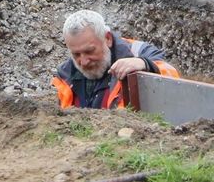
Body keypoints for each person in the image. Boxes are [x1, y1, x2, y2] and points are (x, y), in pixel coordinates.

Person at [51, 9, 180, 109]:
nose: (83, 61)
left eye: (89, 51)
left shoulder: (138, 52)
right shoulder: (64, 76)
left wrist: (144, 64)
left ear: (107, 39)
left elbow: (173, 77)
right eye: (76, 54)